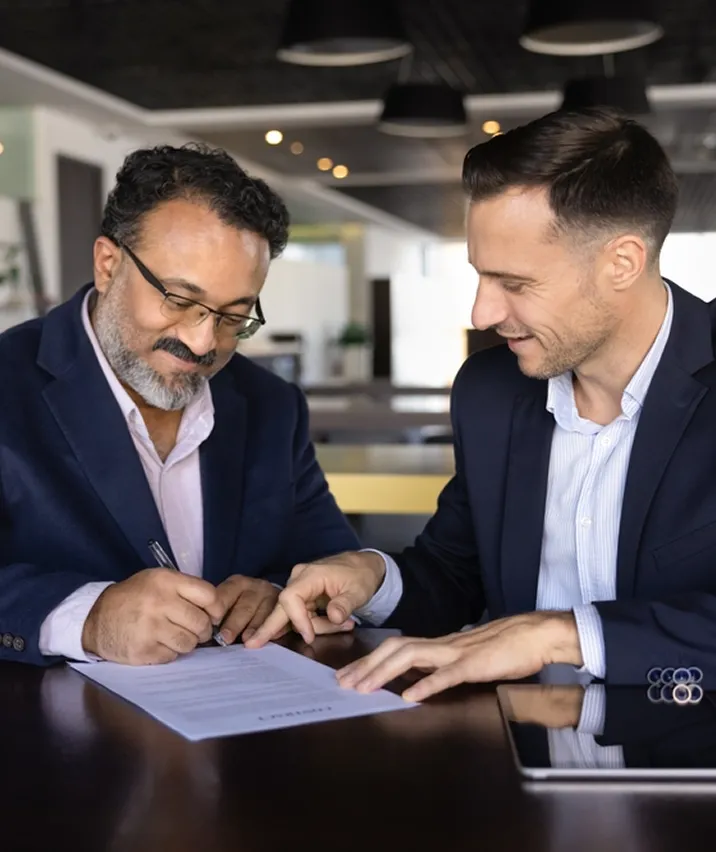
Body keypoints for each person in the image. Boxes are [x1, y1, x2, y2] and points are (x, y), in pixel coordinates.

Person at [249, 107, 716, 699]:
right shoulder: (489, 391)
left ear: (621, 263)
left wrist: (560, 636)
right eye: (479, 277)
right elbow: (453, 573)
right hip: (510, 755)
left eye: (514, 284)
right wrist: (372, 577)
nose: (482, 314)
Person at [0, 143, 359, 667]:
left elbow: (333, 562)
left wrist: (281, 594)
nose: (201, 342)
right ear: (107, 264)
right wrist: (88, 619)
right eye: (178, 300)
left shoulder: (272, 407)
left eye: (234, 317)